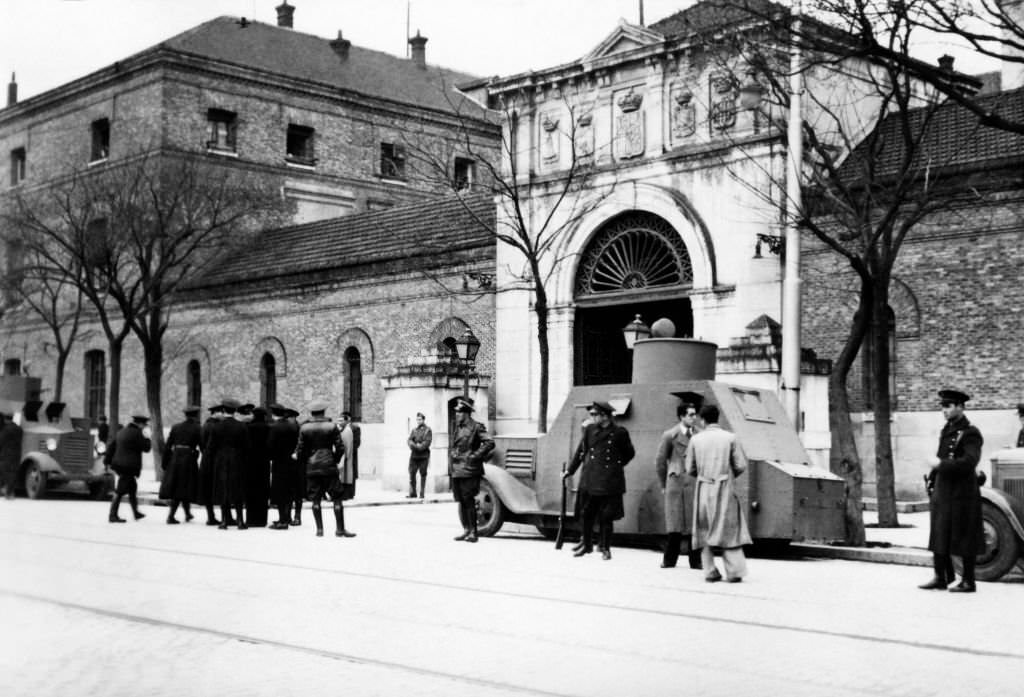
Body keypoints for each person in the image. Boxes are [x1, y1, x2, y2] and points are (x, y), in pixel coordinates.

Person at [919, 389, 984, 593]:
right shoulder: (947, 429)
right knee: (940, 532)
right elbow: (942, 456)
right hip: (944, 490)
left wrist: (940, 465)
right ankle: (942, 576)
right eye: (942, 406)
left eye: (947, 406)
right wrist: (932, 479)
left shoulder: (970, 432)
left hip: (962, 492)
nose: (943, 410)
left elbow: (969, 462)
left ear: (960, 407)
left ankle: (968, 580)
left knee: (965, 535)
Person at [685, 403, 751, 582]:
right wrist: (727, 475)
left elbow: (689, 468)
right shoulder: (730, 438)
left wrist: (703, 474)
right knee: (729, 528)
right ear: (717, 418)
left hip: (704, 488)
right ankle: (735, 572)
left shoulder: (695, 440)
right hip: (724, 488)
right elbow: (741, 465)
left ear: (703, 419)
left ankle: (710, 571)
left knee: (703, 529)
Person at [564, 400, 635, 560]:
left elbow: (629, 453)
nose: (592, 417)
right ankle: (587, 545)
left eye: (595, 414)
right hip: (591, 478)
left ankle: (605, 547)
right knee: (587, 514)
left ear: (605, 416)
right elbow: (581, 452)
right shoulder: (590, 430)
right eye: (591, 414)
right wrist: (570, 471)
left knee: (607, 516)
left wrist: (615, 465)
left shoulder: (619, 433)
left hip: (610, 481)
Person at [655, 402, 702, 570]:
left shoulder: (699, 435)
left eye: (695, 414)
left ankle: (696, 561)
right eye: (690, 415)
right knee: (674, 524)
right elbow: (660, 462)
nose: (694, 418)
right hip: (675, 482)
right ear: (681, 417)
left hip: (694, 481)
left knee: (694, 524)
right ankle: (669, 560)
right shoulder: (670, 435)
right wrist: (663, 484)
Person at [293, 400, 349, 537]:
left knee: (315, 499)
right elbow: (340, 447)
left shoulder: (304, 428)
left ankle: (319, 530)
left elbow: (299, 449)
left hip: (312, 466)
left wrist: (306, 460)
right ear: (323, 412)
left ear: (312, 413)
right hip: (328, 464)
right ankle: (340, 529)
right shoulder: (331, 426)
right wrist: (335, 459)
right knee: (337, 498)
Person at [450, 398, 494, 543]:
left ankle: (473, 532)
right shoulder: (458, 427)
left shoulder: (476, 427)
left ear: (467, 413)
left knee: (469, 500)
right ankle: (466, 530)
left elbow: (489, 442)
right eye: (456, 413)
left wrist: (475, 456)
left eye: (459, 413)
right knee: (461, 500)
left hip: (470, 469)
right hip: (457, 469)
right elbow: (457, 445)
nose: (457, 415)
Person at [104, 413, 152, 523]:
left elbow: (111, 447)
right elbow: (146, 448)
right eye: (144, 425)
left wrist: (107, 462)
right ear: (140, 424)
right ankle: (112, 515)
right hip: (128, 466)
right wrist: (148, 437)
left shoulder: (122, 432)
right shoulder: (138, 433)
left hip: (119, 465)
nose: (145, 427)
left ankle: (136, 513)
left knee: (132, 488)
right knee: (120, 491)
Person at [212, 399, 251, 530]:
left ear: (223, 411)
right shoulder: (241, 426)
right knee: (238, 489)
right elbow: (247, 447)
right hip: (237, 460)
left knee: (224, 489)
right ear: (235, 412)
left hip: (222, 460)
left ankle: (224, 521)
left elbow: (211, 447)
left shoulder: (217, 426)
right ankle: (240, 521)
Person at [159, 405, 202, 524]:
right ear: (196, 415)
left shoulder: (176, 427)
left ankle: (187, 513)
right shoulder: (198, 428)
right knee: (182, 486)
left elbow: (168, 446)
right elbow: (202, 445)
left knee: (181, 485)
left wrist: (165, 462)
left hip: (175, 458)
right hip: (188, 458)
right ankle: (171, 516)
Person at [268, 403, 300, 530]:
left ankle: (282, 520)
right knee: (289, 491)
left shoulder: (274, 427)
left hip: (279, 463)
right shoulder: (293, 427)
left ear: (273, 413)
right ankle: (288, 517)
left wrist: (271, 457)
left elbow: (270, 446)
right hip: (291, 462)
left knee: (280, 491)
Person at [199, 403, 226, 526]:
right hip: (215, 460)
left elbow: (202, 445)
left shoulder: (205, 425)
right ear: (216, 413)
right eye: (221, 412)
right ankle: (222, 517)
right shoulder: (216, 426)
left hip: (206, 460)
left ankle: (211, 517)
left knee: (208, 488)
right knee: (218, 487)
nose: (223, 414)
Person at [244, 406, 271, 528]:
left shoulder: (248, 428)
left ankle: (251, 519)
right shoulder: (268, 428)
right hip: (263, 462)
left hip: (250, 462)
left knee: (251, 489)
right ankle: (261, 520)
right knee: (263, 489)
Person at [407, 412, 432, 498]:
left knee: (423, 474)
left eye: (420, 419)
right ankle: (413, 493)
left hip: (423, 456)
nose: (418, 421)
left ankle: (422, 493)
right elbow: (409, 440)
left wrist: (419, 446)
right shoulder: (414, 430)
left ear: (423, 420)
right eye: (417, 419)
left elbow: (426, 443)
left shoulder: (428, 430)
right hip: (414, 456)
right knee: (411, 473)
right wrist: (414, 445)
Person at [0, 404, 23, 500]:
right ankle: (10, 492)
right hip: (17, 454)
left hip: (6, 454)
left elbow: (1, 441)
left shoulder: (5, 430)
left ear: (5, 419)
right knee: (13, 473)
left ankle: (8, 492)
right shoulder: (19, 429)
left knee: (5, 472)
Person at [339, 411, 360, 501]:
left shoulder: (355, 428)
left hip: (351, 453)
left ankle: (350, 493)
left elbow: (357, 442)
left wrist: (350, 450)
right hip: (343, 453)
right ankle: (344, 492)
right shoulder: (340, 427)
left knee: (351, 473)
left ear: (348, 419)